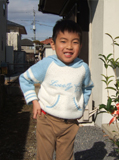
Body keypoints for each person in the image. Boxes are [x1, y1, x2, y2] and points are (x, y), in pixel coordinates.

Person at [19, 19, 94, 160]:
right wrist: (34, 101)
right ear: (53, 44)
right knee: (44, 156)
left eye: (75, 42)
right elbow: (25, 79)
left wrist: (81, 105)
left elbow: (88, 87)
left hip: (70, 124)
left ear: (81, 46)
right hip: (47, 119)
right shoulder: (47, 64)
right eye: (63, 41)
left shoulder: (83, 68)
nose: (69, 47)